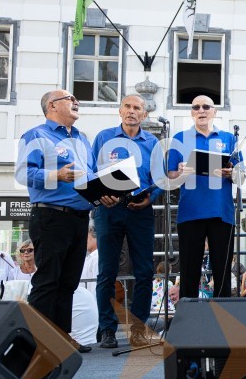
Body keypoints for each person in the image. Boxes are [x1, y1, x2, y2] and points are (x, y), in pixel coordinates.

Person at [15, 90, 101, 353]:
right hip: (51, 216)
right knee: (47, 281)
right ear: (52, 106)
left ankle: (61, 338)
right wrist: (55, 175)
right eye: (69, 99)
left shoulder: (82, 139)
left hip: (79, 218)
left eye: (76, 99)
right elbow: (22, 173)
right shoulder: (36, 135)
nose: (76, 102)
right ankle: (37, 343)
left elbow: (90, 177)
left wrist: (104, 194)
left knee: (68, 283)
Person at [92, 94, 162, 348]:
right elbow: (91, 170)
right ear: (120, 111)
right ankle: (107, 329)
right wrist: (101, 194)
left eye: (137, 108)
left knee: (144, 271)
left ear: (144, 114)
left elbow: (159, 178)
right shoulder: (103, 137)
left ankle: (139, 329)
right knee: (107, 271)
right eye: (127, 107)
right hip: (108, 209)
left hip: (140, 210)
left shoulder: (153, 142)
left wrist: (151, 197)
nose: (132, 111)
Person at [167, 95, 242, 300]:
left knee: (222, 272)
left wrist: (231, 173)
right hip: (190, 213)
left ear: (214, 111)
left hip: (222, 213)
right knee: (189, 273)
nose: (201, 110)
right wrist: (180, 172)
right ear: (191, 112)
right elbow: (170, 176)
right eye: (196, 107)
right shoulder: (179, 138)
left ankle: (222, 316)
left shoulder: (229, 138)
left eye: (206, 106)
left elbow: (241, 176)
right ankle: (190, 316)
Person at [81, 224, 99, 295]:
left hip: (91, 299)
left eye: (86, 237)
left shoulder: (97, 257)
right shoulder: (89, 257)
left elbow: (95, 285)